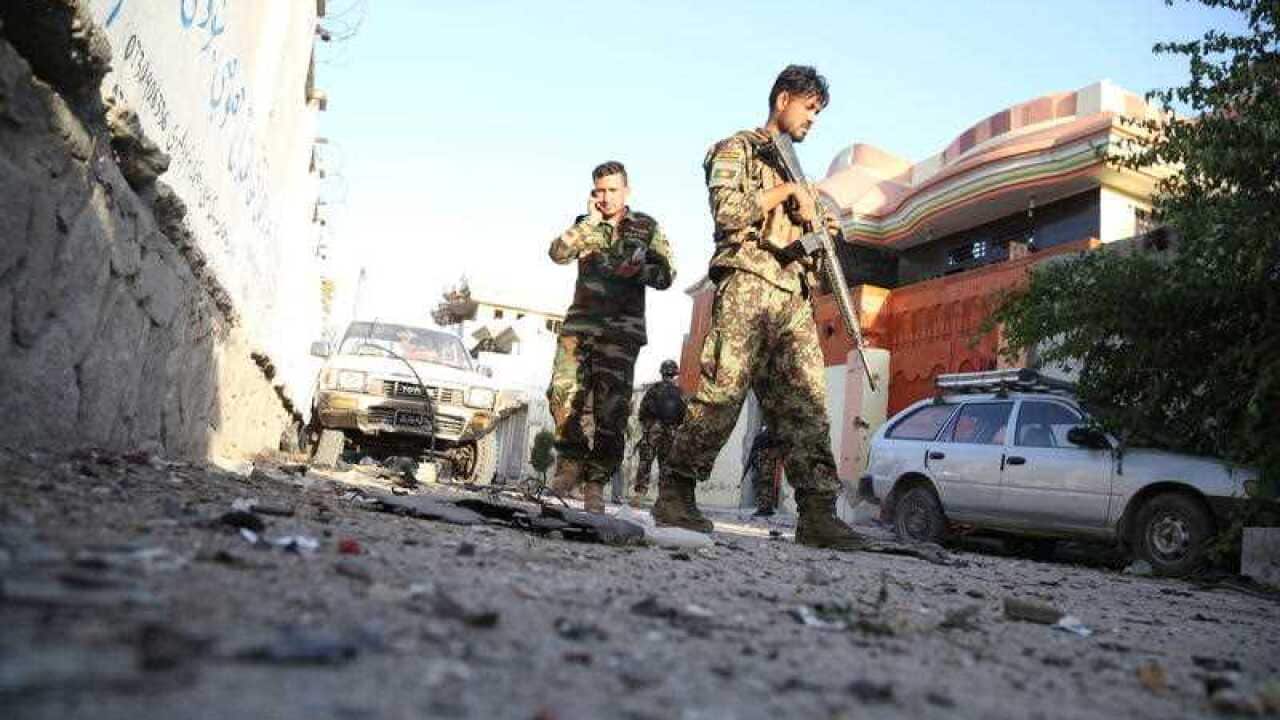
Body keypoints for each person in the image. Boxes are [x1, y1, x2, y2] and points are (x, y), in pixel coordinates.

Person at [654, 65, 867, 550]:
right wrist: (789, 193)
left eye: (818, 112)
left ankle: (817, 513)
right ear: (783, 99)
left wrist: (822, 227)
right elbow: (728, 212)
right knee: (722, 394)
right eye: (809, 108)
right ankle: (676, 494)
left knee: (808, 407)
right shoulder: (738, 149)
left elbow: (809, 238)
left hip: (792, 297)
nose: (813, 119)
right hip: (748, 282)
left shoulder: (803, 177)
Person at [546, 161, 676, 513]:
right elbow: (557, 253)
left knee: (612, 410)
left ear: (626, 191)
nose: (605, 197)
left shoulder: (645, 227)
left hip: (622, 331)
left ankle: (596, 483)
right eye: (599, 191)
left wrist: (639, 271)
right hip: (580, 326)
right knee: (561, 393)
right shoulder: (584, 226)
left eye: (612, 190)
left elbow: (667, 275)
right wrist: (589, 222)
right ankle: (571, 461)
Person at [633, 359, 686, 497]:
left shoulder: (653, 390)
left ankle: (640, 494)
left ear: (662, 373)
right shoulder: (679, 392)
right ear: (675, 374)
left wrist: (647, 427)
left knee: (646, 460)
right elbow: (683, 415)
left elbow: (642, 412)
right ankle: (664, 496)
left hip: (654, 429)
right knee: (666, 463)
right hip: (670, 431)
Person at [743, 425, 781, 517]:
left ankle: (764, 508)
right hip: (765, 467)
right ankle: (766, 507)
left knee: (763, 485)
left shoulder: (764, 438)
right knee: (765, 485)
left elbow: (758, 453)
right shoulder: (768, 437)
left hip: (765, 468)